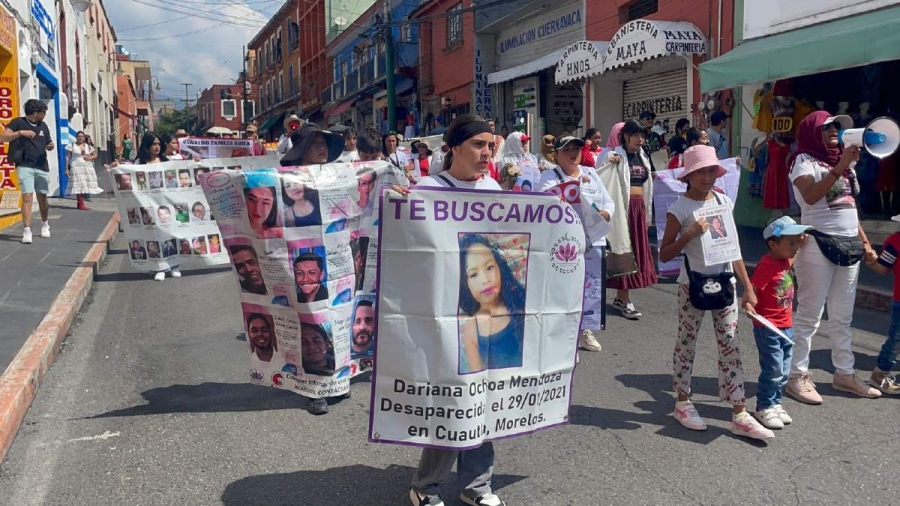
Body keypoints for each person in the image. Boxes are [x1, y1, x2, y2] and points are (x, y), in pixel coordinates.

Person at [393, 114, 506, 506]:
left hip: (483, 313)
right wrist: (399, 206)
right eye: (478, 145)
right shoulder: (427, 188)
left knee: (483, 396)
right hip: (442, 314)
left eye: (491, 145)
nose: (486, 153)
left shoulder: (492, 187)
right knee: (450, 399)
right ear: (454, 147)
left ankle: (478, 486)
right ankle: (425, 486)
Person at [658, 145, 773, 441]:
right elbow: (665, 254)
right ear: (689, 175)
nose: (707, 176)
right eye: (700, 171)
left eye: (711, 170)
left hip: (725, 283)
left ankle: (739, 411)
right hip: (691, 285)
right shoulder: (679, 208)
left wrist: (748, 288)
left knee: (731, 346)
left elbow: (733, 249)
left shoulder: (722, 200)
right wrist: (690, 233)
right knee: (686, 342)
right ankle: (682, 401)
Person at [787, 112, 881, 402]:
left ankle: (844, 373)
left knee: (842, 316)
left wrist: (864, 242)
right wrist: (840, 167)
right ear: (812, 131)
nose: (833, 130)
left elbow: (849, 207)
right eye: (826, 127)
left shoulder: (843, 162)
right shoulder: (802, 161)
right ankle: (796, 376)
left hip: (849, 244)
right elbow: (811, 196)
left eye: (835, 126)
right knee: (810, 315)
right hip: (818, 244)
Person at [538, 135, 614, 353]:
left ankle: (584, 330)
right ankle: (560, 336)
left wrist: (606, 213)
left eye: (577, 149)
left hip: (593, 239)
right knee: (563, 289)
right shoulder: (549, 177)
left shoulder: (591, 173)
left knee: (588, 288)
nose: (573, 153)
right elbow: (545, 202)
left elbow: (608, 200)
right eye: (567, 149)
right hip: (564, 243)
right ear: (556, 155)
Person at [744, 216, 810, 429]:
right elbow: (752, 289)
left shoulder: (784, 259)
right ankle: (764, 407)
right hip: (768, 327)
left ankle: (775, 403)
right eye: (791, 242)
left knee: (783, 369)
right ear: (772, 244)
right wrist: (748, 303)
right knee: (773, 370)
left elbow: (797, 246)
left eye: (797, 241)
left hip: (787, 326)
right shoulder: (767, 264)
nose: (796, 246)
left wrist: (801, 239)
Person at [600, 119, 657, 320]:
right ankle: (624, 299)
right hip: (624, 209)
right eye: (636, 135)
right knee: (625, 250)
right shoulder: (615, 154)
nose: (640, 139)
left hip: (639, 209)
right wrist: (609, 160)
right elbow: (602, 171)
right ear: (625, 136)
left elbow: (647, 182)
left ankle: (620, 297)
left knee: (634, 253)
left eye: (643, 135)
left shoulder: (642, 156)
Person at [457, 234, 526, 373]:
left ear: (499, 267)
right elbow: (475, 379)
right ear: (465, 283)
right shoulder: (471, 327)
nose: (485, 279)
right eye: (473, 274)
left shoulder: (520, 303)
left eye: (489, 267)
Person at [0, 99, 55, 243]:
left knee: (42, 197)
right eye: (43, 112)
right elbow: (2, 137)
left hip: (41, 165)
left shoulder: (43, 126)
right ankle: (27, 230)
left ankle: (45, 223)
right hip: (24, 165)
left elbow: (48, 143)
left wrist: (50, 146)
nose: (45, 114)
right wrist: (20, 133)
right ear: (36, 112)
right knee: (27, 196)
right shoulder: (17, 122)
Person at [864, 221, 900, 395]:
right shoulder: (895, 241)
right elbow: (884, 268)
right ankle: (880, 374)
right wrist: (871, 261)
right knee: (896, 339)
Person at [65, 131, 102, 210]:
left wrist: (89, 158)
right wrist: (67, 168)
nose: (80, 138)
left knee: (84, 184)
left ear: (84, 137)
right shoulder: (72, 145)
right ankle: (81, 204)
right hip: (76, 167)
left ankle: (80, 203)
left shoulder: (88, 146)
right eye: (79, 136)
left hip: (86, 167)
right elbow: (67, 157)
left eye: (82, 136)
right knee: (79, 184)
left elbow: (95, 154)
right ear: (76, 137)